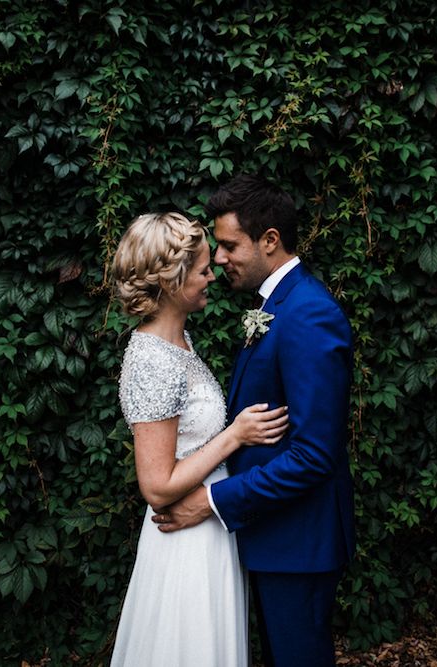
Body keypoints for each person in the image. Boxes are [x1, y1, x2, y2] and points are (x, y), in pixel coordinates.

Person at [153, 176, 356, 667]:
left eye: (228, 245)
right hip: (274, 538)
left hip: (297, 543)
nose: (218, 259)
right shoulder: (278, 306)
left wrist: (211, 501)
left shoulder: (308, 314)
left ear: (269, 240)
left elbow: (313, 455)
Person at [109, 212, 289, 667]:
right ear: (171, 281)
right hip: (183, 546)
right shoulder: (154, 360)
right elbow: (156, 486)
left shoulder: (179, 341)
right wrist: (235, 436)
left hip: (208, 531)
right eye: (204, 268)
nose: (214, 274)